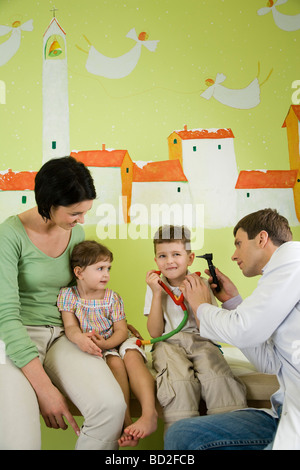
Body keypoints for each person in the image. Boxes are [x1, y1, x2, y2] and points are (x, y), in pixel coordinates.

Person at [0, 156, 126, 450]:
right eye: (74, 213)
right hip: (15, 336)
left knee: (110, 407)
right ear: (48, 203)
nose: (82, 220)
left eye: (85, 212)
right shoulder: (9, 235)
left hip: (63, 333)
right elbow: (5, 314)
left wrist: (106, 323)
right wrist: (46, 390)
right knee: (21, 438)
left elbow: (76, 293)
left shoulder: (76, 234)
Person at [164, 208, 300, 450]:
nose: (234, 255)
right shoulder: (280, 279)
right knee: (181, 434)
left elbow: (244, 330)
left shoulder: (292, 262)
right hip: (285, 412)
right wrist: (232, 302)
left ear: (261, 238)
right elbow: (268, 362)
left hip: (294, 417)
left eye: (238, 243)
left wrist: (201, 306)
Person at [144, 225, 247, 432]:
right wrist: (157, 294)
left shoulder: (202, 283)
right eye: (162, 256)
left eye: (176, 254)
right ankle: (182, 431)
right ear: (156, 261)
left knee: (217, 376)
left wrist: (195, 299)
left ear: (190, 258)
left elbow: (209, 330)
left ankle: (229, 429)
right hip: (168, 343)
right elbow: (155, 334)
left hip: (201, 340)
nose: (169, 261)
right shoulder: (155, 287)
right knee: (178, 380)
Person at [57, 240, 158, 447]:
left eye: (108, 268)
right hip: (92, 345)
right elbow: (70, 327)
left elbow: (121, 331)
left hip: (113, 341)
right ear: (79, 272)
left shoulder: (112, 298)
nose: (106, 274)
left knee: (122, 360)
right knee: (113, 363)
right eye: (100, 268)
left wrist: (106, 344)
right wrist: (81, 338)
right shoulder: (68, 296)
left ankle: (132, 418)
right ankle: (124, 421)